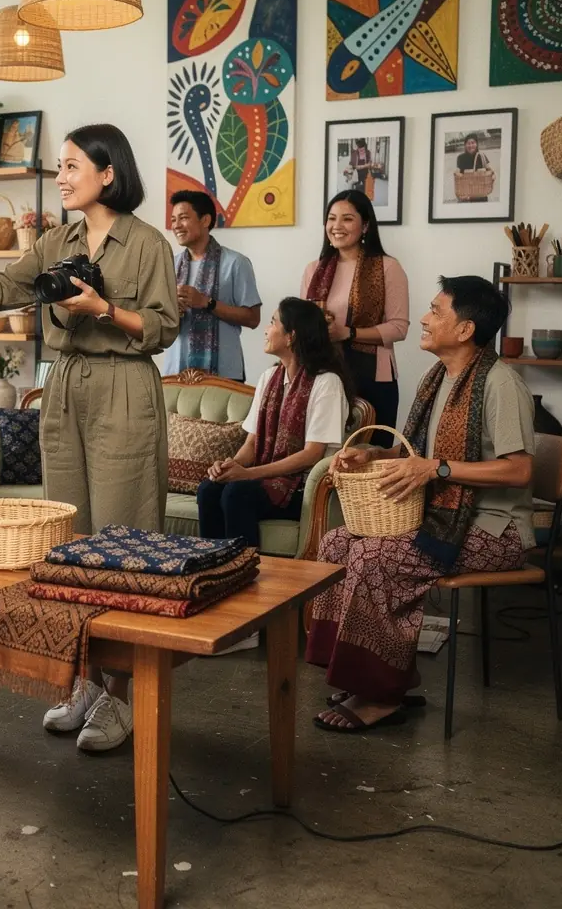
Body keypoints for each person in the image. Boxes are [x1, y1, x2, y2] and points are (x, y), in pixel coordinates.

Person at [0, 123, 178, 752]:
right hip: (65, 386)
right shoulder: (55, 241)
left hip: (124, 386)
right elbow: (0, 290)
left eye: (74, 165)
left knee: (122, 537)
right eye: (59, 165)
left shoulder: (148, 244)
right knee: (71, 541)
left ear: (109, 173)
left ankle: (120, 699)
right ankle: (84, 681)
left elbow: (161, 328)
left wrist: (102, 310)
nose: (63, 176)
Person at [308, 276, 534, 733]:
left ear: (466, 329)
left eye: (436, 311)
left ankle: (381, 695)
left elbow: (519, 471)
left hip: (496, 530)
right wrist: (374, 453)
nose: (425, 320)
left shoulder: (500, 383)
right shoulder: (438, 378)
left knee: (377, 556)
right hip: (442, 517)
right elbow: (417, 456)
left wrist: (438, 470)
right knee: (336, 543)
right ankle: (381, 677)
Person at [197, 298, 351, 546]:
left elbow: (312, 454)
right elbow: (252, 442)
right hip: (264, 480)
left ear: (291, 336)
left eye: (272, 323)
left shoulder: (327, 383)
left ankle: (243, 572)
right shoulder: (269, 377)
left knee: (238, 493)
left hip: (301, 487)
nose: (267, 330)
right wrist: (229, 467)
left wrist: (248, 474)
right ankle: (212, 569)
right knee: (209, 488)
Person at [301, 190, 409, 445]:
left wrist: (348, 332)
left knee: (371, 455)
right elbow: (304, 322)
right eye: (331, 218)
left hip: (373, 375)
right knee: (324, 453)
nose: (336, 226)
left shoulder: (388, 267)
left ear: (366, 226)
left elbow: (399, 327)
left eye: (347, 219)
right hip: (324, 371)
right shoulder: (313, 269)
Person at [162, 189, 261, 382]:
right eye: (173, 220)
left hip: (224, 374)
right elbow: (158, 318)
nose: (176, 226)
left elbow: (253, 318)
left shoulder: (236, 263)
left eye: (183, 218)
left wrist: (207, 302)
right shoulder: (169, 265)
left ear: (205, 220)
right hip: (176, 373)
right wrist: (171, 308)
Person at [456, 133, 492, 203]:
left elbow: (490, 171)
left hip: (481, 193)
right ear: (465, 145)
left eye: (473, 143)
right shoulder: (460, 158)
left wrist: (492, 175)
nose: (471, 145)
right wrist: (457, 174)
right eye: (468, 143)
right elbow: (457, 172)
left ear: (477, 144)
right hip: (466, 193)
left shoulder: (482, 156)